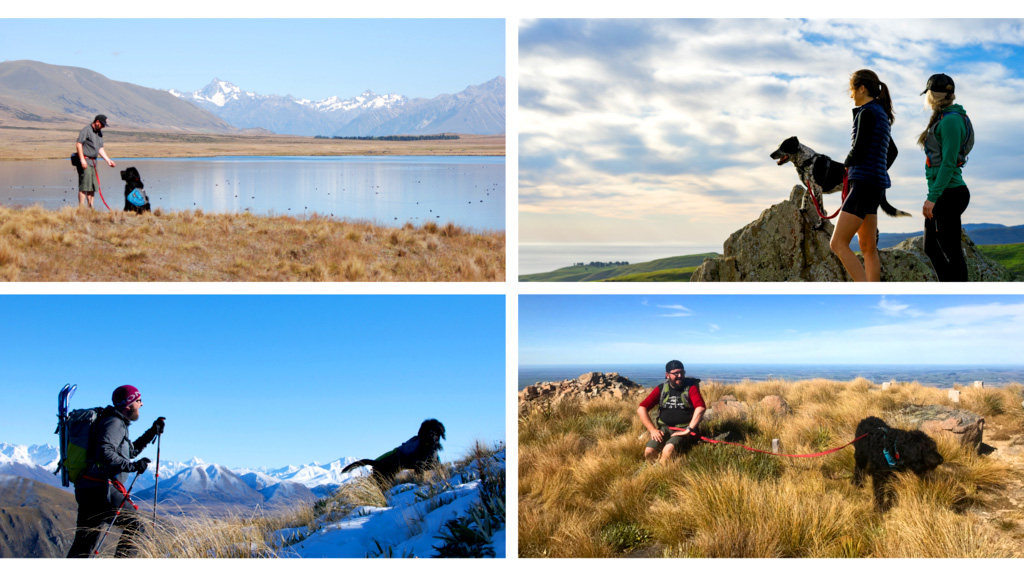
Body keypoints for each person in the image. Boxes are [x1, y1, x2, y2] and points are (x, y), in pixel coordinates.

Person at [66, 385, 164, 558]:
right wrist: (133, 467)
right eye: (138, 400)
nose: (141, 404)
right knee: (135, 525)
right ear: (128, 404)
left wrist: (151, 432)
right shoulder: (114, 423)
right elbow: (104, 453)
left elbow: (129, 452)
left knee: (85, 543)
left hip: (89, 487)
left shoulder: (114, 422)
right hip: (101, 489)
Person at [829, 70, 897, 282]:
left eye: (851, 90)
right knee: (868, 247)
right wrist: (876, 168)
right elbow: (892, 152)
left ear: (862, 88)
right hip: (875, 185)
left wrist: (847, 166)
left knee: (837, 243)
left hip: (864, 185)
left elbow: (857, 150)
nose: (851, 96)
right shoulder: (881, 114)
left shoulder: (866, 112)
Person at [918, 73, 973, 281]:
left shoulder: (950, 121)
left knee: (951, 252)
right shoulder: (945, 118)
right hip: (946, 192)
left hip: (950, 193)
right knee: (932, 247)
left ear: (932, 95)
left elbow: (948, 164)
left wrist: (932, 197)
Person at [637, 360, 706, 464]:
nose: (680, 376)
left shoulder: (690, 387)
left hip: (683, 429)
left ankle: (662, 472)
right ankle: (654, 470)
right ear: (667, 375)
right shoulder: (662, 389)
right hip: (664, 428)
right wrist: (652, 430)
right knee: (649, 452)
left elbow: (700, 408)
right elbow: (641, 408)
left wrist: (688, 430)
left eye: (682, 373)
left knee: (667, 451)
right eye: (675, 373)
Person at [75, 114, 116, 209]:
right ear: (97, 122)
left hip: (94, 162)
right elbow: (79, 144)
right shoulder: (86, 130)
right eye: (102, 124)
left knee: (92, 186)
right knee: (84, 186)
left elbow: (100, 149)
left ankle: (91, 208)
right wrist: (82, 160)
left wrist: (108, 160)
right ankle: (81, 209)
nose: (103, 126)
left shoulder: (99, 133)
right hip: (85, 161)